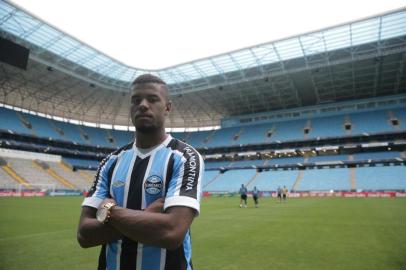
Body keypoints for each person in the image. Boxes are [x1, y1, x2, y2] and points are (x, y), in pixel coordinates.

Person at [77, 74, 204, 270]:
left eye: (152, 99)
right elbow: (84, 235)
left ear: (167, 107)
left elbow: (171, 233)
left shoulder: (184, 157)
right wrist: (146, 215)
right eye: (136, 100)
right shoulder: (110, 162)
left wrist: (108, 211)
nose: (143, 105)